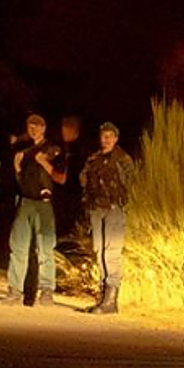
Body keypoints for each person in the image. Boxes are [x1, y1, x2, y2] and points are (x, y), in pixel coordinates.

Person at [0, 113, 67, 307]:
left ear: (44, 128)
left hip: (43, 203)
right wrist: (17, 168)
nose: (33, 129)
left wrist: (44, 162)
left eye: (37, 126)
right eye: (30, 126)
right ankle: (14, 292)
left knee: (45, 249)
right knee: (17, 248)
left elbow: (61, 178)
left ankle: (47, 291)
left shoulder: (53, 149)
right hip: (25, 202)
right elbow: (19, 182)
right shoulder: (22, 151)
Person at [80, 122, 135, 313]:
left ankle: (111, 301)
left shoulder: (123, 159)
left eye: (110, 136)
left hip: (114, 209)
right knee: (99, 251)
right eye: (104, 135)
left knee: (112, 252)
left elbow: (131, 184)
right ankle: (103, 297)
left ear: (116, 138)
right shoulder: (93, 159)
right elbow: (85, 182)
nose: (106, 139)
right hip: (97, 209)